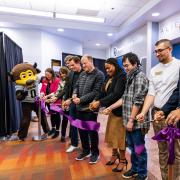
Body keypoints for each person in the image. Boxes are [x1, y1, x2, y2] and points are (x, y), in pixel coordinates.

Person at [136, 39, 180, 180]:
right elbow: (151, 93)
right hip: (157, 114)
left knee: (176, 152)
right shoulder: (154, 70)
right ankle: (165, 177)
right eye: (155, 51)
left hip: (173, 115)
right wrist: (143, 112)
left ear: (169, 49)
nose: (157, 53)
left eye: (160, 50)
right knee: (162, 151)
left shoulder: (178, 65)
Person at [103, 53, 149, 180]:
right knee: (132, 148)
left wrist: (131, 120)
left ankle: (142, 173)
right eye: (123, 66)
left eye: (127, 65)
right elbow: (124, 98)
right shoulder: (130, 77)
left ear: (135, 64)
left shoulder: (140, 77)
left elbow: (138, 101)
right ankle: (134, 169)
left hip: (136, 121)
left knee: (139, 149)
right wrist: (110, 107)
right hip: (128, 120)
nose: (125, 68)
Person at [90, 58, 127, 171]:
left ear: (115, 65)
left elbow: (117, 94)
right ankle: (114, 155)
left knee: (120, 138)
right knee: (111, 136)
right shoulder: (108, 77)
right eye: (105, 68)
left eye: (109, 67)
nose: (107, 70)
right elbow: (102, 92)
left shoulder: (121, 76)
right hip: (111, 111)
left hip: (120, 111)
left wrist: (100, 103)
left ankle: (122, 160)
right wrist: (95, 100)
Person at [73, 54, 105, 164]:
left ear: (91, 62)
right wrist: (74, 94)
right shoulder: (82, 74)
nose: (83, 65)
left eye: (85, 63)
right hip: (79, 107)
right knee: (81, 131)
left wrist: (80, 99)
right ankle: (86, 151)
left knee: (92, 131)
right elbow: (76, 86)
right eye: (82, 64)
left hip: (90, 108)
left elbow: (96, 92)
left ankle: (95, 153)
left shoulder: (99, 75)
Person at [63, 56, 83, 152]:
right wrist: (63, 99)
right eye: (69, 65)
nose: (70, 67)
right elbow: (67, 88)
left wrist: (70, 100)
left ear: (78, 62)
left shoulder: (84, 74)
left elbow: (82, 91)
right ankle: (74, 144)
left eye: (72, 65)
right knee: (73, 124)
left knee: (83, 125)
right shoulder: (70, 74)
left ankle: (86, 145)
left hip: (82, 104)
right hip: (72, 103)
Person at [46, 66, 70, 142]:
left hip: (71, 102)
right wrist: (53, 98)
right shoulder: (61, 81)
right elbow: (58, 91)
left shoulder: (70, 80)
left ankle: (72, 135)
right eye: (60, 73)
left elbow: (65, 91)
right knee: (65, 119)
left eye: (63, 73)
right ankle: (62, 135)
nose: (62, 75)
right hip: (64, 102)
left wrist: (55, 98)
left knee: (72, 120)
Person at [40, 68, 61, 139]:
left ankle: (57, 131)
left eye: (48, 75)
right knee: (52, 115)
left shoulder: (57, 80)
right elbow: (42, 89)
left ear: (52, 74)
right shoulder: (44, 80)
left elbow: (55, 92)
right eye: (46, 74)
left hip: (55, 101)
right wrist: (42, 94)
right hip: (48, 101)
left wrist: (46, 96)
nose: (47, 76)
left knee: (57, 115)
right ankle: (53, 129)